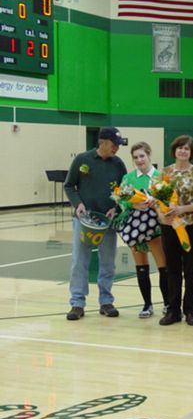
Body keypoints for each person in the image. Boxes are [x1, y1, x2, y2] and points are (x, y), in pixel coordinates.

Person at [64, 127, 128, 321]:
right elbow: (69, 185)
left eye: (119, 144)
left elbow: (124, 192)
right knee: (79, 262)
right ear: (103, 142)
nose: (117, 148)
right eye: (114, 144)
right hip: (84, 221)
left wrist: (116, 209)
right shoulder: (82, 160)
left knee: (108, 263)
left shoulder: (118, 164)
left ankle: (106, 301)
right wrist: (78, 204)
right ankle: (77, 303)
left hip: (107, 222)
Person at [159, 135, 193, 326]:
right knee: (172, 270)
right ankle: (173, 311)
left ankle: (190, 310)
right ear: (174, 150)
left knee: (191, 269)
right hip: (169, 227)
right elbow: (157, 198)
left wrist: (182, 209)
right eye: (180, 147)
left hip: (191, 227)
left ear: (191, 153)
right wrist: (162, 213)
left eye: (187, 149)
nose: (183, 151)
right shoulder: (165, 172)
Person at [117, 142, 168, 318]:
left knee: (163, 265)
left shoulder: (160, 177)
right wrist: (132, 203)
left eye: (142, 156)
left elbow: (169, 199)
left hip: (156, 229)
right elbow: (121, 200)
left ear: (149, 156)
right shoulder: (128, 178)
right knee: (141, 266)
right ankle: (147, 304)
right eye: (135, 157)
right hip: (136, 228)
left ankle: (167, 303)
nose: (139, 160)